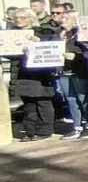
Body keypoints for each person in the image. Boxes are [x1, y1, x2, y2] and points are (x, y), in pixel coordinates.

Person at [12, 8, 59, 141]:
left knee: (43, 102)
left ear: (31, 18)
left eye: (23, 17)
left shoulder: (43, 31)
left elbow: (52, 47)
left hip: (40, 73)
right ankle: (30, 131)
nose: (19, 20)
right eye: (16, 18)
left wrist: (38, 42)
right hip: (23, 72)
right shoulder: (13, 34)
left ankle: (44, 131)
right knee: (28, 104)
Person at [59, 11, 88, 140]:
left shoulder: (82, 34)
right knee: (70, 99)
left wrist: (76, 56)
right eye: (62, 18)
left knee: (84, 99)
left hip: (81, 70)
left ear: (75, 20)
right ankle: (76, 127)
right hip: (65, 71)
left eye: (66, 18)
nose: (62, 20)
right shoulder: (60, 34)